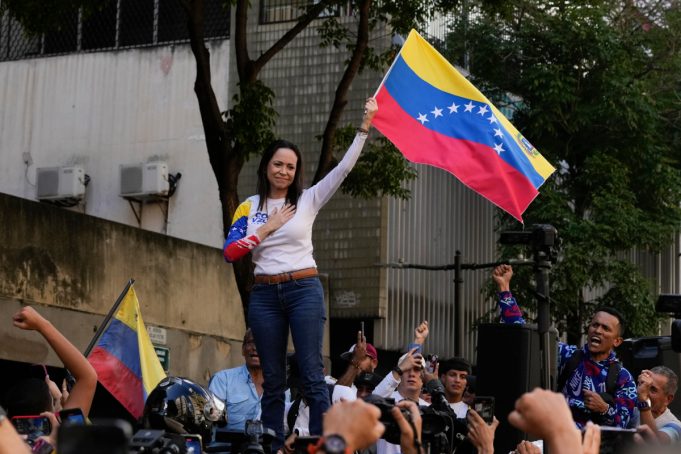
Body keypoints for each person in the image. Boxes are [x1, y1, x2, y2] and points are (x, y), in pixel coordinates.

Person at [222, 97, 378, 449]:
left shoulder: (307, 199)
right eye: (278, 164)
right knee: (273, 380)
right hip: (264, 295)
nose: (283, 171)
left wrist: (365, 126)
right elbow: (231, 252)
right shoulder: (249, 207)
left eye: (290, 167)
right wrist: (267, 228)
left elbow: (343, 170)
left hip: (303, 288)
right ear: (266, 166)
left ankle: (321, 446)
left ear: (297, 172)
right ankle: (273, 446)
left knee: (311, 374)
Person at [493, 264, 637, 429]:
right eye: (594, 325)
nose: (597, 330)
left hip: (592, 441)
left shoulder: (623, 378)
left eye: (605, 328)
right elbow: (524, 337)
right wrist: (504, 288)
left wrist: (604, 409)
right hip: (555, 435)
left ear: (617, 341)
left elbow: (622, 424)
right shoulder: (568, 355)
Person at [5, 306, 97, 419]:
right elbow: (88, 377)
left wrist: (57, 400)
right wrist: (42, 325)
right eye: (52, 403)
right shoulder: (63, 430)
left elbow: (87, 378)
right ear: (49, 413)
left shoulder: (4, 431)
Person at [208, 329, 263, 432]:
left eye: (261, 343)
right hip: (227, 443)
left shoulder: (281, 387)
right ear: (243, 349)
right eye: (251, 342)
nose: (255, 348)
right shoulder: (223, 380)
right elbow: (210, 422)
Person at [636, 366, 681, 443]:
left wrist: (643, 400)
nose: (645, 391)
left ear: (668, 399)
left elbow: (655, 444)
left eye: (653, 389)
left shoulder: (676, 426)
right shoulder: (633, 411)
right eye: (644, 385)